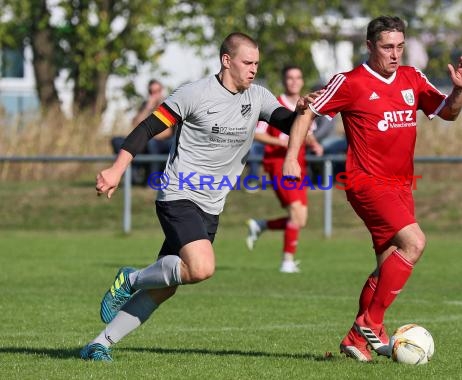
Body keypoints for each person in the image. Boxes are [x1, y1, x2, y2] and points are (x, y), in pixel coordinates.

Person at [80, 32, 314, 361]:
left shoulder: (258, 97)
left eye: (257, 64)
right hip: (179, 193)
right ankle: (130, 278)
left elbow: (292, 124)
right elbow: (147, 128)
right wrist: (117, 169)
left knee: (165, 286)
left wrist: (304, 110)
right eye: (247, 63)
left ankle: (99, 344)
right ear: (226, 60)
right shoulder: (194, 94)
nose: (253, 70)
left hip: (211, 205)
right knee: (201, 267)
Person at [283, 15, 462, 362]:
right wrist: (292, 158)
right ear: (370, 46)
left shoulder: (412, 78)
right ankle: (370, 323)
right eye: (387, 47)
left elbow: (447, 113)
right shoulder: (350, 82)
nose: (395, 53)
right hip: (366, 182)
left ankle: (355, 340)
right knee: (415, 242)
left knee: (388, 263)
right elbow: (307, 111)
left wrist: (460, 90)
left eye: (400, 46)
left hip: (402, 186)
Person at [246, 65, 323, 273]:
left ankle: (261, 226)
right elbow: (257, 133)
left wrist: (314, 143)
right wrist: (282, 143)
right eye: (289, 77)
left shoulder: (307, 105)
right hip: (279, 163)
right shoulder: (274, 105)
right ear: (284, 80)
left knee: (301, 218)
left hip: (299, 163)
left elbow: (306, 132)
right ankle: (287, 262)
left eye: (298, 77)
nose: (294, 81)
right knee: (297, 213)